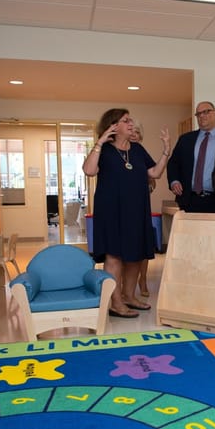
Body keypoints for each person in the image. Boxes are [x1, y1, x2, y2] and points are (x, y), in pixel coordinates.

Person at [83, 108, 170, 318]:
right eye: (125, 121)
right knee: (114, 257)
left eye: (130, 120)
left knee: (135, 256)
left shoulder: (138, 150)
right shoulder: (103, 150)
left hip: (137, 210)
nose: (131, 124)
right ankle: (115, 302)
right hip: (111, 212)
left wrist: (166, 150)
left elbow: (155, 173)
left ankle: (130, 296)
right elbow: (89, 170)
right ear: (113, 126)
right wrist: (100, 141)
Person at [167, 101, 215, 213]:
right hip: (189, 200)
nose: (202, 116)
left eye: (206, 112)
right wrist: (174, 181)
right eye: (198, 114)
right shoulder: (186, 139)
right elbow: (173, 163)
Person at [130, 119, 154, 298]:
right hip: (124, 208)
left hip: (141, 207)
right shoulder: (118, 153)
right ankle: (123, 286)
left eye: (137, 133)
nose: (134, 135)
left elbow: (152, 180)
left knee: (143, 246)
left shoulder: (141, 153)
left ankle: (143, 280)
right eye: (131, 132)